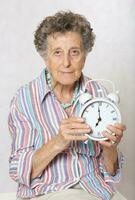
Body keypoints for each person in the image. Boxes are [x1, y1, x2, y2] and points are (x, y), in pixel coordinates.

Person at [8, 11, 126, 200]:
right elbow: (19, 171)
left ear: (85, 56)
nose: (66, 63)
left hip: (97, 190)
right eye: (57, 53)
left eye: (74, 52)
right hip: (48, 191)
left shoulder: (100, 94)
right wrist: (59, 141)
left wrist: (110, 147)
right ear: (45, 58)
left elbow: (111, 173)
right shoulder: (24, 99)